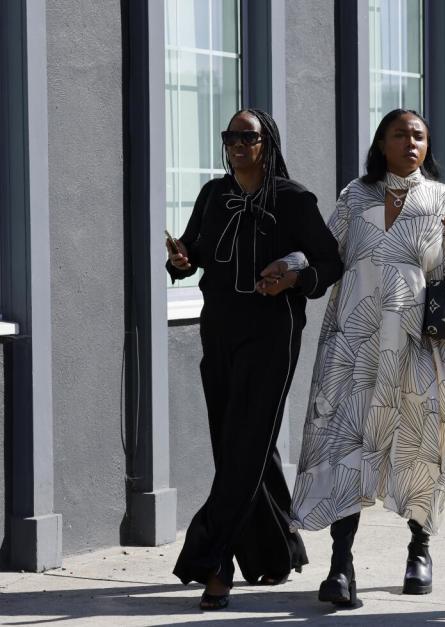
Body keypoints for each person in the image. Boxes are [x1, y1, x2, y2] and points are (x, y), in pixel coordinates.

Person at [289, 109, 445, 606]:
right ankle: (340, 563)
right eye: (400, 134)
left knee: (422, 439)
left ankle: (419, 549)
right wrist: (289, 270)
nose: (410, 142)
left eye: (419, 135)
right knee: (346, 442)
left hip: (419, 344)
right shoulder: (355, 195)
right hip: (354, 341)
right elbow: (325, 255)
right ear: (382, 142)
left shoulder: (443, 199)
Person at [167, 109, 344, 609]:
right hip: (219, 326)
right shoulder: (213, 195)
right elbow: (194, 250)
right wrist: (180, 260)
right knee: (237, 443)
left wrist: (294, 278)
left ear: (268, 143)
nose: (238, 145)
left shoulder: (293, 200)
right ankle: (276, 550)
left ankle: (212, 560)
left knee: (246, 442)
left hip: (273, 332)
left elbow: (330, 261)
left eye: (249, 137)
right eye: (231, 137)